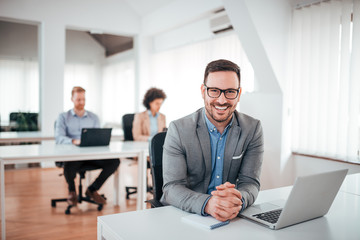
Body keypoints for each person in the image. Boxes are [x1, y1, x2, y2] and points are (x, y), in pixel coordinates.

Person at [161, 59, 264, 222]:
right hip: (186, 214)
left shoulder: (252, 128)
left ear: (239, 93)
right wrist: (208, 204)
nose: (222, 100)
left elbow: (250, 182)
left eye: (230, 91)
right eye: (214, 91)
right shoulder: (178, 130)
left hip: (231, 216)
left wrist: (238, 200)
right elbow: (172, 188)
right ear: (203, 91)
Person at [55, 86, 120, 206]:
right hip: (73, 154)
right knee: (69, 163)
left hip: (91, 154)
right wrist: (74, 141)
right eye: (78, 99)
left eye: (83, 99)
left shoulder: (93, 117)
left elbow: (96, 136)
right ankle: (72, 191)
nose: (81, 102)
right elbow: (59, 137)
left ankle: (92, 189)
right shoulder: (63, 117)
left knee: (114, 162)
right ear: (72, 99)